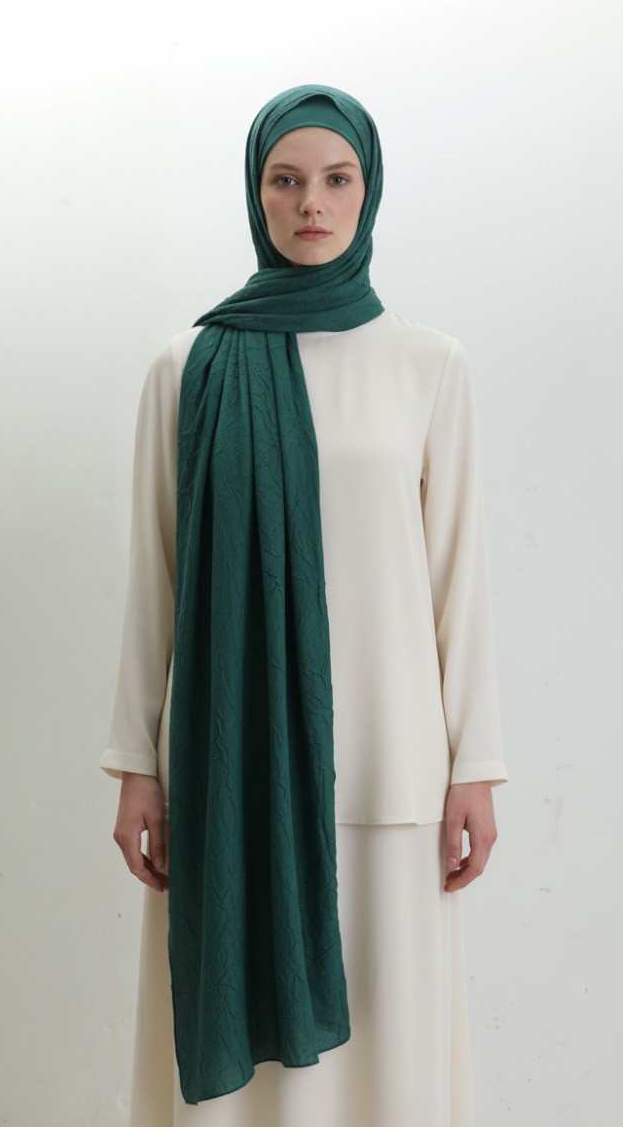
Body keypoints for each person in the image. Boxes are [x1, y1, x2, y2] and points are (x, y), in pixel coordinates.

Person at [100, 84, 509, 1126]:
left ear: (369, 193)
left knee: (390, 1063)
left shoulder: (430, 366)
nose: (311, 203)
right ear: (256, 193)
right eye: (285, 180)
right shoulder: (189, 367)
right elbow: (155, 575)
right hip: (231, 763)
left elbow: (458, 577)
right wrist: (138, 762)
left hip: (391, 773)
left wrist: (475, 764)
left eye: (336, 179)